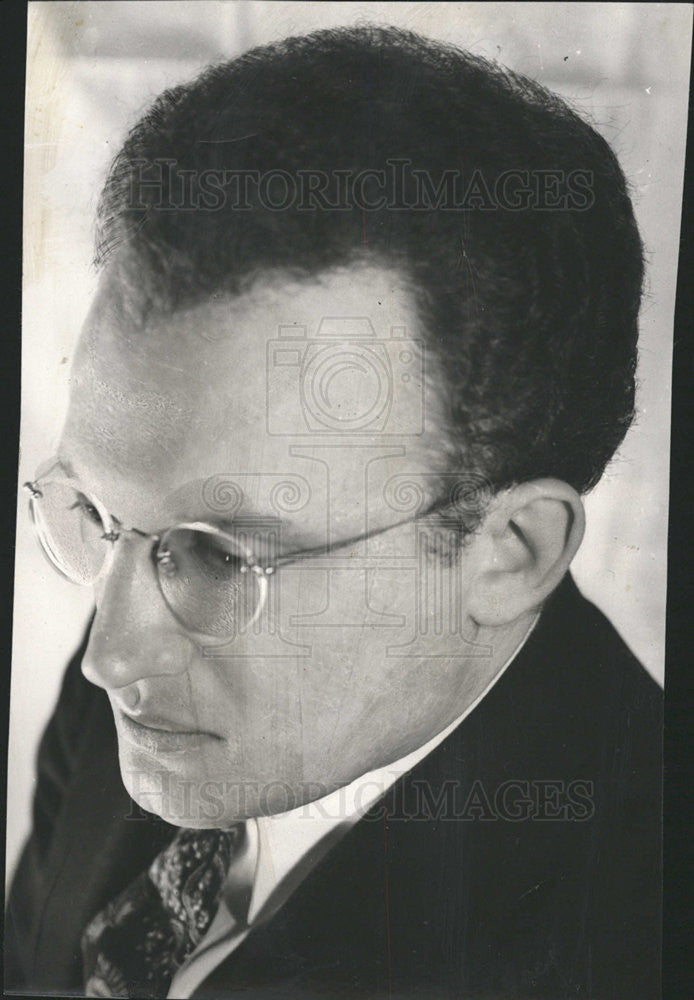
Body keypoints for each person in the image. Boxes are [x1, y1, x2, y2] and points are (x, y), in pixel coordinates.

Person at [6, 24, 661, 1000]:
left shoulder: (632, 939)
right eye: (98, 513)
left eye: (219, 557)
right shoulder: (151, 682)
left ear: (509, 551)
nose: (109, 654)